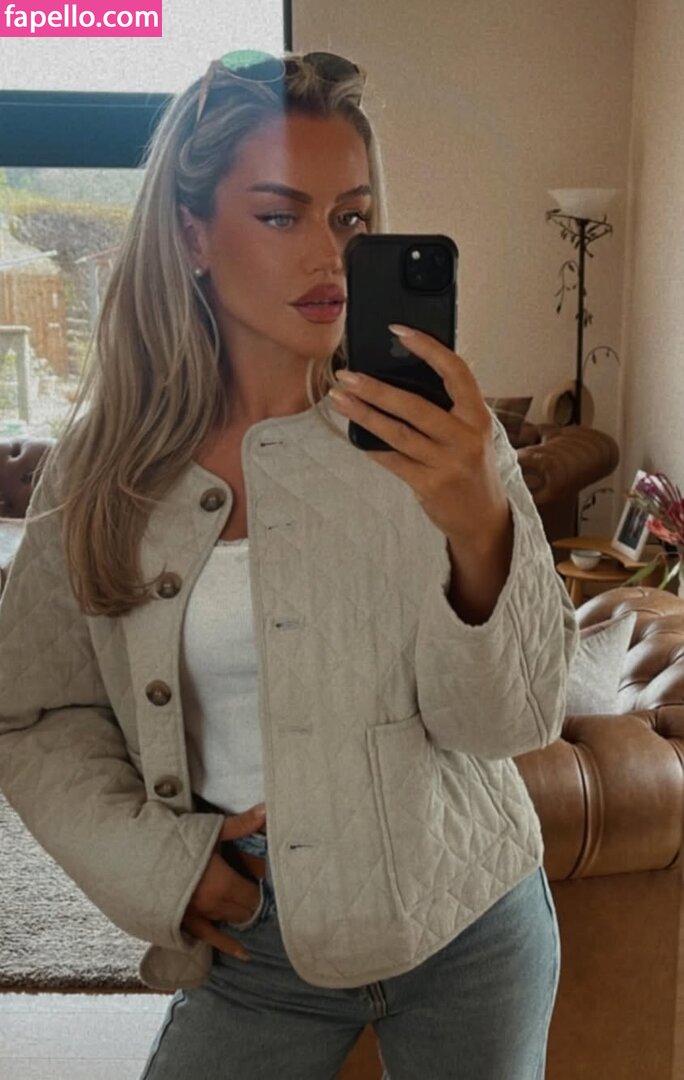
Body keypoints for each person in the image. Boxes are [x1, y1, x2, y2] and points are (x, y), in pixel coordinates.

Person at [0, 49, 578, 1080]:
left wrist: (479, 527)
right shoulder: (101, 476)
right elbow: (36, 713)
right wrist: (162, 867)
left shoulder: (443, 441)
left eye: (352, 218)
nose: (329, 255)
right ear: (191, 235)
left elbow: (508, 725)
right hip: (249, 942)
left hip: (470, 923)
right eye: (280, 215)